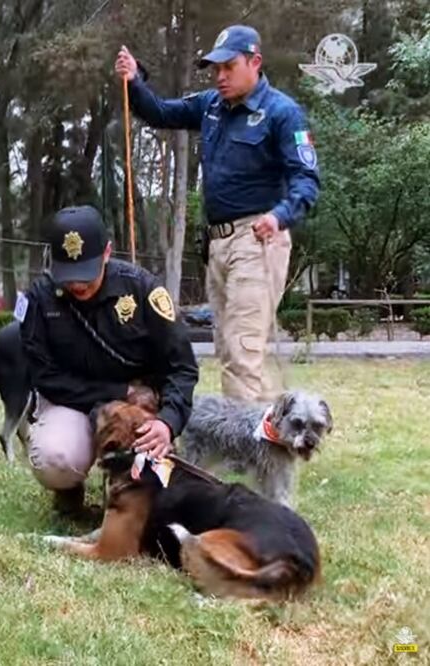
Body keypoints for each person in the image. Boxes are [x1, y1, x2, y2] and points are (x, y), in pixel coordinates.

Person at [115, 25, 320, 403]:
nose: (220, 76)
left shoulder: (282, 113)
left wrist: (279, 216)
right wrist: (135, 80)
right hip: (218, 244)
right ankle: (269, 445)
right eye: (215, 69)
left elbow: (306, 180)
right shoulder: (210, 106)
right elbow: (160, 113)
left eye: (229, 67)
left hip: (258, 238)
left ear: (254, 62)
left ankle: (245, 454)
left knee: (242, 354)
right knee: (231, 351)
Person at [18, 206, 199, 516]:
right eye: (68, 276)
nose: (76, 286)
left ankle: (126, 491)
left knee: (157, 493)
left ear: (107, 252)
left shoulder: (143, 290)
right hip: (71, 401)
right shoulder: (40, 298)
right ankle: (68, 487)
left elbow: (181, 366)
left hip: (138, 408)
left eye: (86, 274)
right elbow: (43, 375)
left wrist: (168, 422)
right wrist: (118, 391)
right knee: (55, 458)